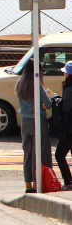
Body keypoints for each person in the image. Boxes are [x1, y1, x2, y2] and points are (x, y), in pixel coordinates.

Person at [16, 57, 54, 193]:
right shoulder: (37, 85)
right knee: (43, 152)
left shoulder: (19, 83)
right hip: (39, 121)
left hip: (25, 122)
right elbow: (49, 104)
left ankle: (28, 185)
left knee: (28, 153)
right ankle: (42, 182)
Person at [55, 61, 72, 191]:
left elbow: (66, 107)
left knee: (59, 155)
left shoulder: (69, 89)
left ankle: (68, 181)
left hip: (69, 128)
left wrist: (57, 101)